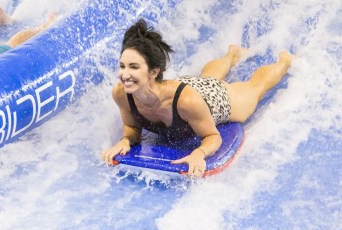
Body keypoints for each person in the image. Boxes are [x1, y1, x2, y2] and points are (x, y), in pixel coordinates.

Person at [101, 19, 293, 176]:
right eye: (122, 66)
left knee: (254, 89)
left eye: (134, 67)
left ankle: (285, 61)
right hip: (186, 88)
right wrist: (125, 140)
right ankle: (231, 55)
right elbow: (132, 126)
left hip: (214, 100)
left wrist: (199, 153)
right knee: (205, 79)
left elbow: (213, 137)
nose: (124, 74)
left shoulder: (187, 101)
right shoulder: (122, 94)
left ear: (153, 72)